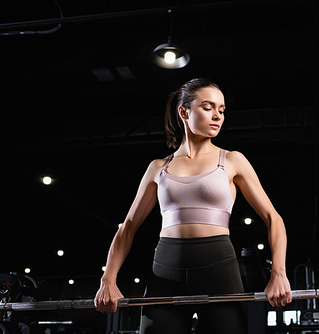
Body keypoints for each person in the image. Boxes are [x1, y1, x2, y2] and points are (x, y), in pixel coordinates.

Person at [94, 78, 291, 333]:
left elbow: (274, 219)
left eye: (221, 110)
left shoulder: (232, 160)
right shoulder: (158, 167)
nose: (217, 116)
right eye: (208, 107)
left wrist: (279, 272)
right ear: (184, 111)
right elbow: (128, 227)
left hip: (218, 267)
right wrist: (108, 279)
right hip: (165, 269)